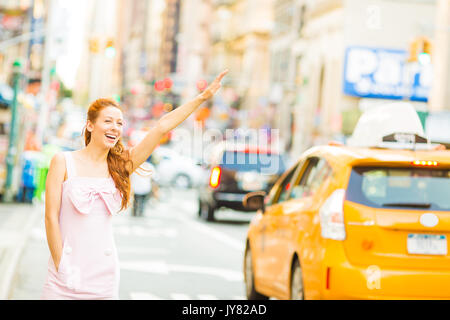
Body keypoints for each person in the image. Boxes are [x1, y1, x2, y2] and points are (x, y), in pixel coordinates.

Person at [41, 70, 228, 300]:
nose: (115, 128)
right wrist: (61, 265)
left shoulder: (120, 166)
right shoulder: (63, 161)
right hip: (64, 274)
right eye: (107, 121)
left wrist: (201, 98)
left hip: (103, 275)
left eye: (119, 123)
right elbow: (51, 217)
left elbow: (161, 127)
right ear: (90, 126)